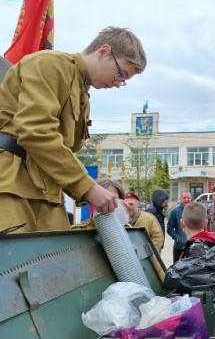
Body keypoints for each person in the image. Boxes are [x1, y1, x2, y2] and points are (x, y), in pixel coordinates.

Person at [0, 26, 147, 233]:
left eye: (123, 81)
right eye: (121, 73)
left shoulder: (83, 94)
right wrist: (86, 186)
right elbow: (34, 131)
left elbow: (65, 149)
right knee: (13, 261)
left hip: (47, 192)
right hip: (9, 183)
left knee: (57, 262)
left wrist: (97, 193)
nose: (117, 83)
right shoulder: (50, 64)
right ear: (103, 51)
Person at [167, 191, 192, 262]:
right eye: (184, 198)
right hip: (179, 247)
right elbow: (170, 228)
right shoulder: (175, 212)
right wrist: (176, 238)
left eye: (188, 198)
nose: (187, 200)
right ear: (180, 199)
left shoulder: (194, 210)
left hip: (193, 246)